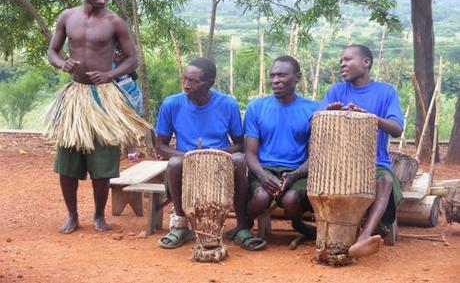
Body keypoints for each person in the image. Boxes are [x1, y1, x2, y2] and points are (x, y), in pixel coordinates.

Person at [44, 0, 150, 234]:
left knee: (102, 165)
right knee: (67, 163)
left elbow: (132, 59)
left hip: (104, 99)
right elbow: (52, 51)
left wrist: (109, 74)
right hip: (76, 98)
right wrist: (62, 63)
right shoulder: (67, 17)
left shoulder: (115, 22)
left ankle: (99, 216)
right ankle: (72, 215)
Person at [155, 57, 266, 250]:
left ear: (210, 82)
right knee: (173, 164)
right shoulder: (171, 104)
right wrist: (190, 156)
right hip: (186, 164)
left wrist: (213, 155)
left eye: (194, 81)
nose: (186, 85)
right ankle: (181, 225)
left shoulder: (227, 104)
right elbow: (160, 146)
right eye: (185, 79)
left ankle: (241, 226)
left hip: (219, 165)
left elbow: (239, 144)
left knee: (239, 160)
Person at [320, 44, 404, 258]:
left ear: (366, 63)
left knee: (384, 182)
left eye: (348, 59)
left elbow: (397, 129)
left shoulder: (386, 92)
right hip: (338, 164)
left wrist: (368, 117)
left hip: (375, 164)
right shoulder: (336, 91)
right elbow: (314, 121)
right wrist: (328, 113)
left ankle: (364, 237)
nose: (342, 64)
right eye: (341, 60)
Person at [244, 56, 318, 241]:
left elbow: (315, 156)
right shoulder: (256, 107)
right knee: (261, 197)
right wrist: (263, 176)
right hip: (265, 169)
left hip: (298, 171)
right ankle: (244, 225)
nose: (275, 80)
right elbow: (250, 153)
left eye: (282, 75)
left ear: (298, 77)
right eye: (273, 76)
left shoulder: (313, 110)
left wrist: (293, 176)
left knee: (291, 200)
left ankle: (298, 224)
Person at [113, 49, 143, 161]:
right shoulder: (105, 61)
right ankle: (125, 151)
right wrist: (117, 65)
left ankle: (132, 151)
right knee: (120, 123)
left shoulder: (125, 58)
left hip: (132, 93)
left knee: (133, 123)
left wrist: (123, 64)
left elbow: (135, 76)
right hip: (116, 94)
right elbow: (108, 79)